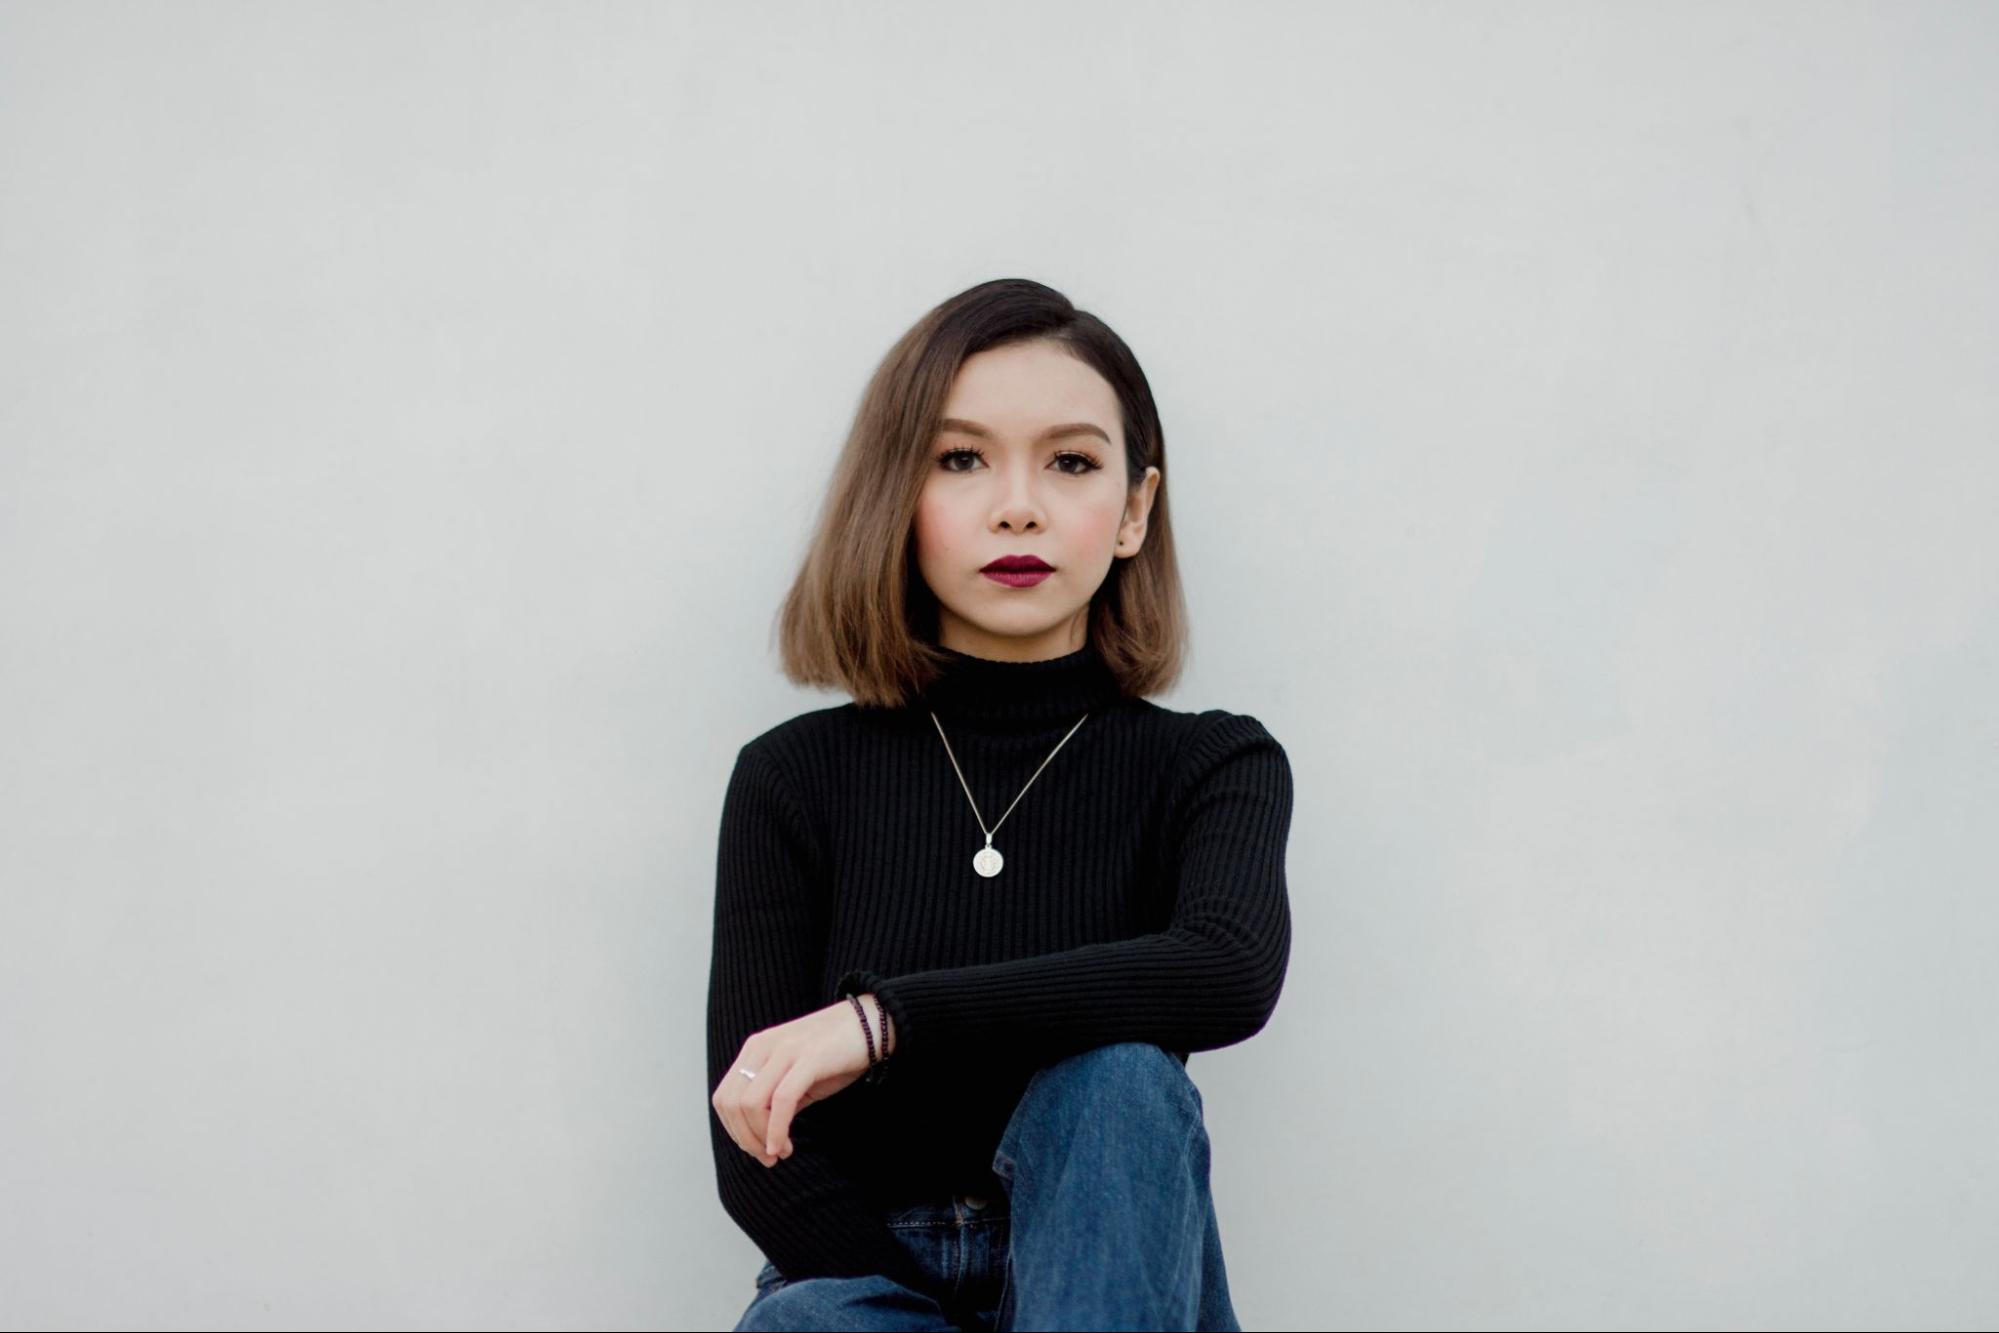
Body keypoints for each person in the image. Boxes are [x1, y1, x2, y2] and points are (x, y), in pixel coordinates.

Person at [706, 277, 1293, 1331]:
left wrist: (882, 1023)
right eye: (959, 458)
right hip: (869, 1282)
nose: (1016, 504)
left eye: (1070, 462)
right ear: (897, 497)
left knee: (1116, 1079)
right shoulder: (792, 777)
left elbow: (1227, 968)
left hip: (1112, 1268)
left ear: (1134, 511)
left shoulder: (1212, 764)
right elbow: (757, 1146)